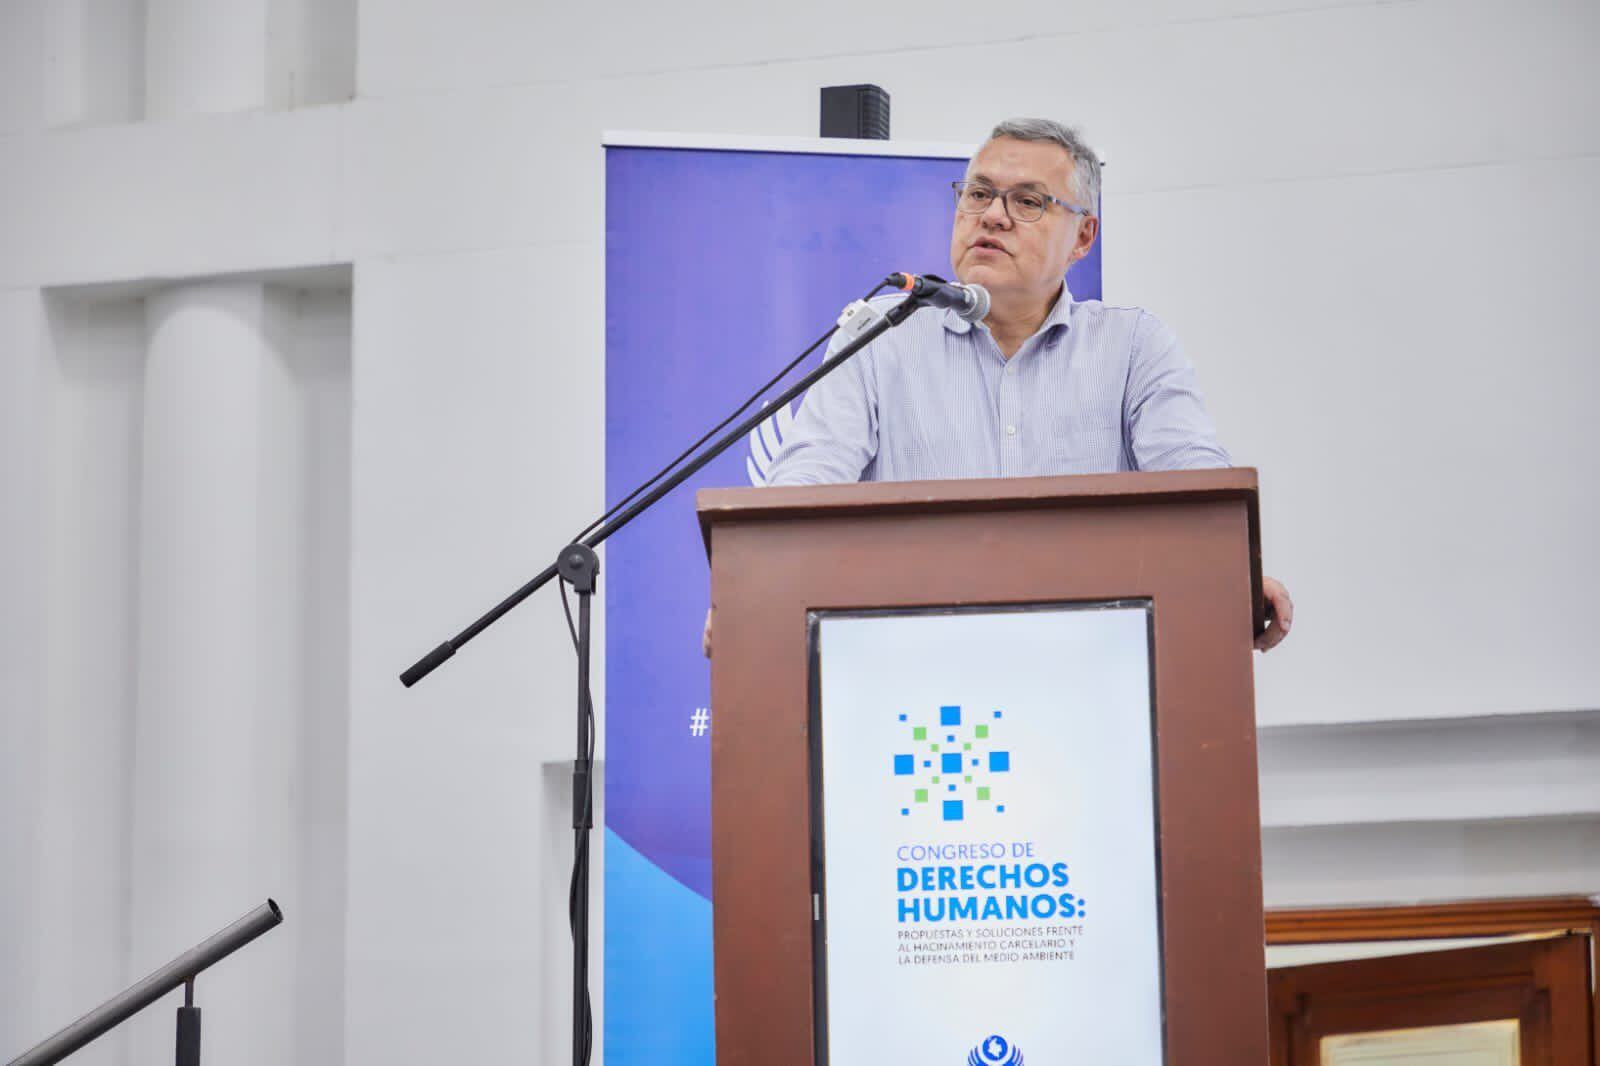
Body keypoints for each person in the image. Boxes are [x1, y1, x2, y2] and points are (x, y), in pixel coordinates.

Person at [706, 118, 1292, 653]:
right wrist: (755, 586)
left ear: (1083, 237)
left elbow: (1196, 487)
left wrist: (1231, 571)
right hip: (909, 663)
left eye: (1028, 201)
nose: (991, 215)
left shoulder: (1134, 347)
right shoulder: (879, 333)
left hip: (1086, 661)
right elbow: (808, 478)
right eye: (979, 194)